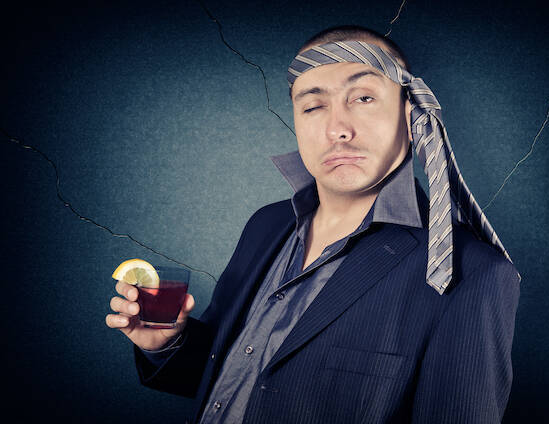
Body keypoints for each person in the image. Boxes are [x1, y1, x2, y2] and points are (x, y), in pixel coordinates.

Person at [106, 25, 520, 424]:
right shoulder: (265, 225)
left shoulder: (471, 274)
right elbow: (230, 379)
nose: (338, 129)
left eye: (363, 98)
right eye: (313, 106)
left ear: (411, 115)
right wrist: (169, 344)